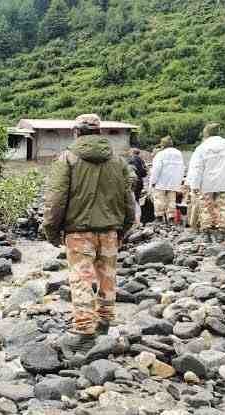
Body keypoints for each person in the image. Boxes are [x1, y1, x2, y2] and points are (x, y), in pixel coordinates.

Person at [43, 114, 134, 355]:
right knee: (108, 277)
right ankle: (104, 323)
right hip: (110, 229)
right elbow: (128, 197)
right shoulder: (118, 160)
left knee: (81, 279)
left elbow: (56, 198)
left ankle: (85, 331)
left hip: (78, 231)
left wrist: (51, 229)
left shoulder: (68, 158)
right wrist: (124, 227)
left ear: (76, 132)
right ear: (99, 132)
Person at [187, 123, 225, 242]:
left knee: (206, 207)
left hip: (206, 183)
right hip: (224, 182)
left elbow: (197, 168)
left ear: (206, 133)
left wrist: (194, 185)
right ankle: (221, 230)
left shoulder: (202, 147)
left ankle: (207, 231)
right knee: (223, 206)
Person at [149, 137, 185, 225]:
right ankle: (171, 218)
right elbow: (182, 168)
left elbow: (156, 169)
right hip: (174, 182)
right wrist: (179, 181)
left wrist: (153, 181)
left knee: (159, 199)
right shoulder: (179, 154)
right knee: (171, 200)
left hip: (161, 181)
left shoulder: (161, 154)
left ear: (163, 145)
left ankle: (159, 218)